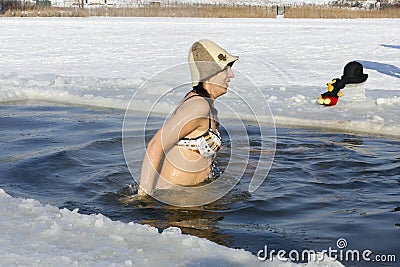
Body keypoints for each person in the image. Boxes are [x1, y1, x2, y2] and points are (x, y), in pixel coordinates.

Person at [138, 40, 238, 196]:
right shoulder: (199, 106)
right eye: (226, 69)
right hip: (175, 198)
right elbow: (156, 144)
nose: (231, 75)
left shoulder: (208, 106)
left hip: (191, 195)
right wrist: (143, 197)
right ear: (210, 73)